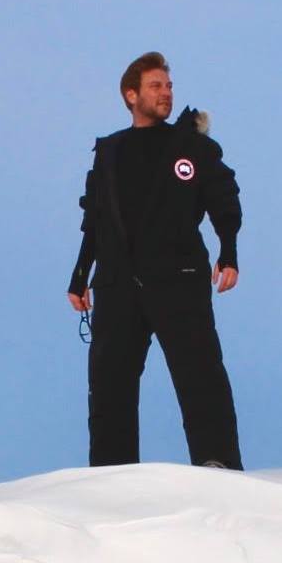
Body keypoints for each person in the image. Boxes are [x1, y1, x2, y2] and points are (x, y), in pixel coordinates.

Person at [67, 52, 244, 470]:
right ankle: (110, 475)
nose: (166, 93)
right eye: (155, 86)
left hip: (178, 278)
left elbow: (224, 198)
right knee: (109, 384)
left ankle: (216, 462)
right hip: (118, 284)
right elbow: (95, 219)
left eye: (168, 86)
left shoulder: (190, 146)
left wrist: (228, 251)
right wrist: (80, 277)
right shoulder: (109, 153)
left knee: (200, 373)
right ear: (131, 95)